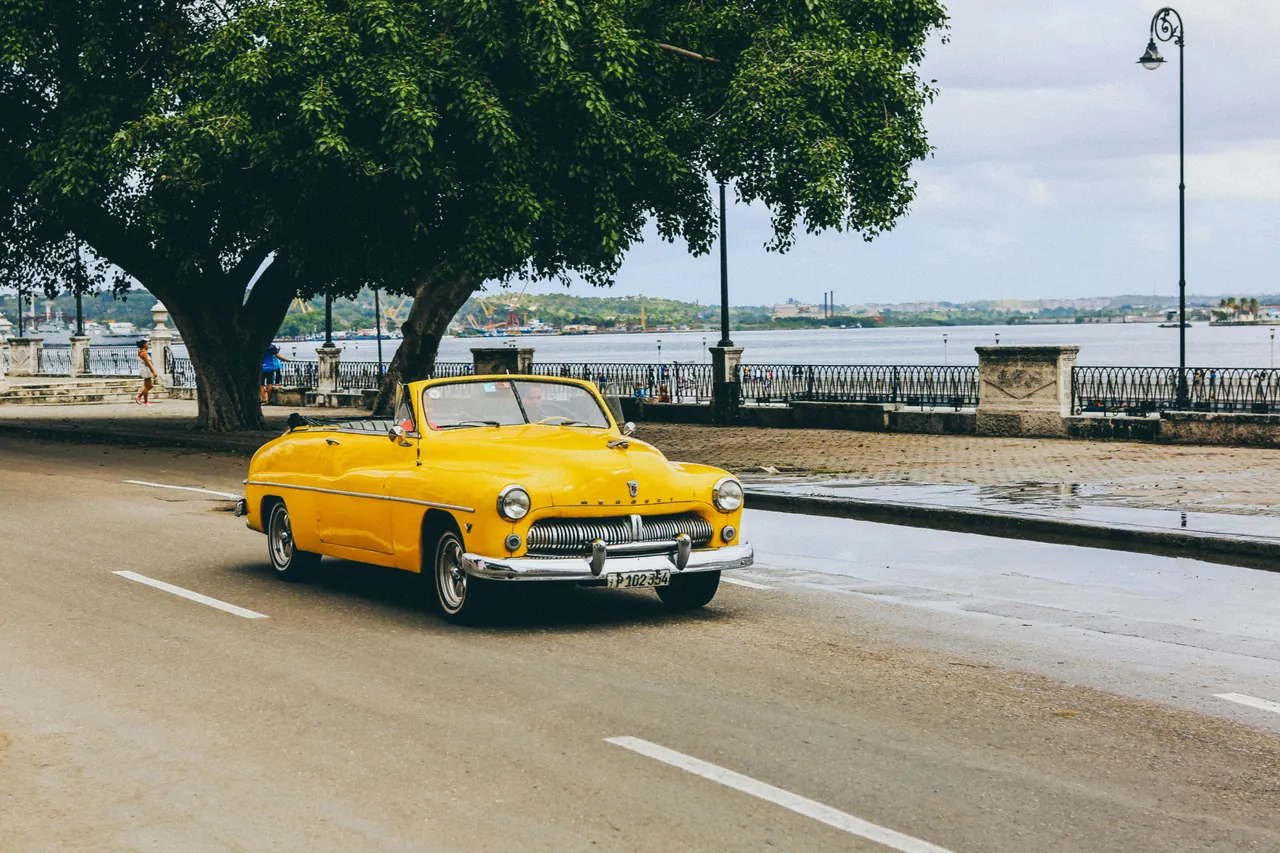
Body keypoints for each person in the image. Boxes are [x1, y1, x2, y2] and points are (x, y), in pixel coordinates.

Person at [134, 340, 158, 406]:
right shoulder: (143, 353)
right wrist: (153, 372)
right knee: (149, 386)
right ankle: (139, 397)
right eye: (147, 344)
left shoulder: (142, 352)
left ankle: (146, 401)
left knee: (147, 386)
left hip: (145, 370)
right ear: (144, 345)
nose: (148, 345)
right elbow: (148, 363)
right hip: (145, 370)